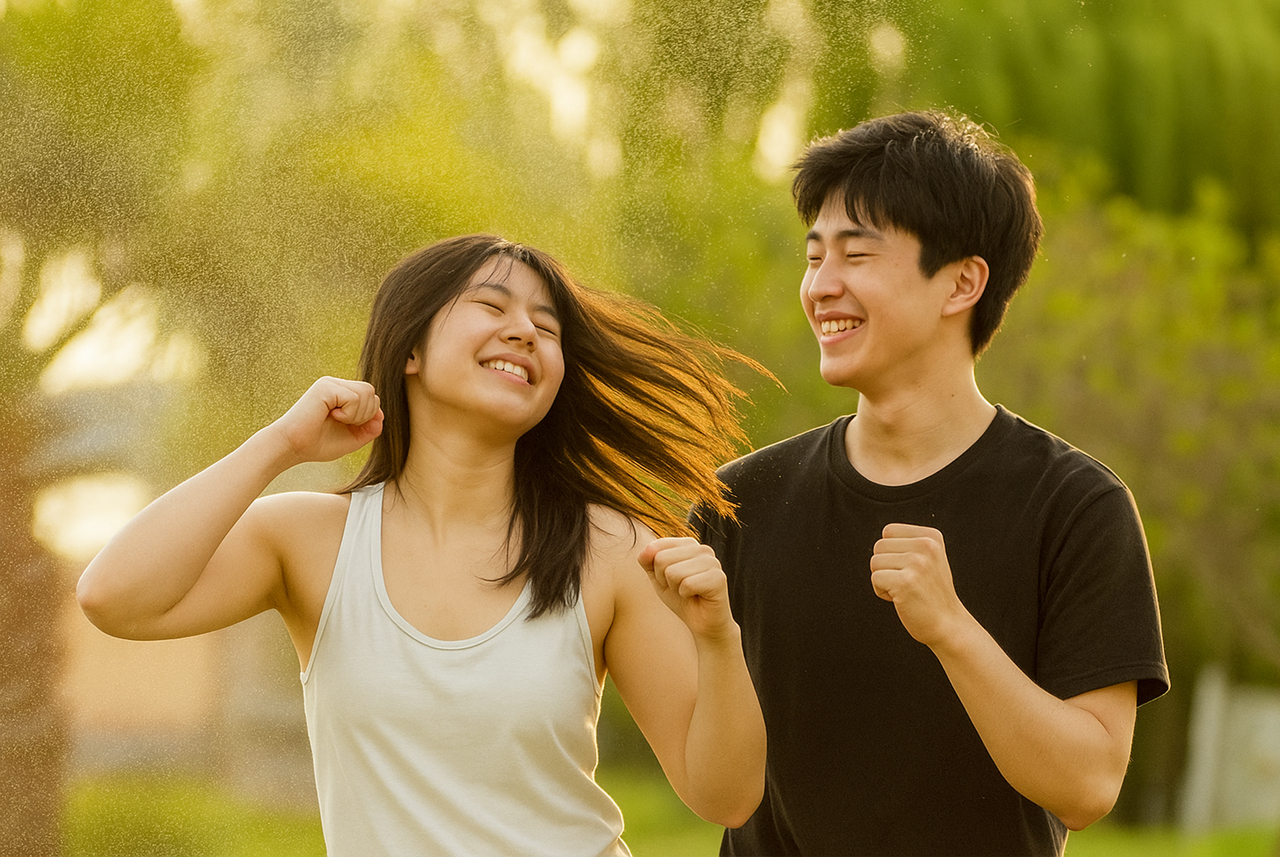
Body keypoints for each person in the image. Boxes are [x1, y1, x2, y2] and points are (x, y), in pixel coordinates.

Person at [77, 234, 767, 857]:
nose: (524, 331)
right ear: (410, 349)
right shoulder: (309, 540)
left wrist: (718, 639)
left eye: (547, 326)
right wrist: (281, 443)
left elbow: (727, 797)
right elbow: (113, 596)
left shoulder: (611, 549)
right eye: (491, 305)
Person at [694, 111, 1169, 856]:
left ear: (962, 283)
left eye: (856, 255)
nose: (820, 287)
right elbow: (708, 781)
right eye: (814, 257)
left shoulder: (1077, 508)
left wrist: (950, 627)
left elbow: (1088, 786)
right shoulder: (740, 502)